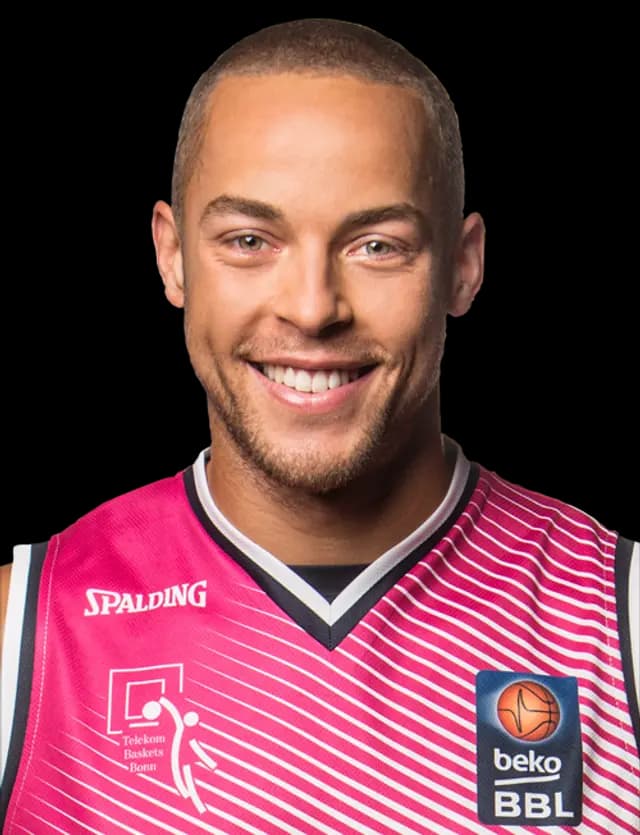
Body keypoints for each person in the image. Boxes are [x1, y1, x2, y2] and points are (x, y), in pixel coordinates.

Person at [1, 17, 638, 833]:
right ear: (172, 256)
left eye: (376, 245)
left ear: (463, 265)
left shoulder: (616, 617)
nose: (311, 308)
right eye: (249, 240)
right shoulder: (27, 629)